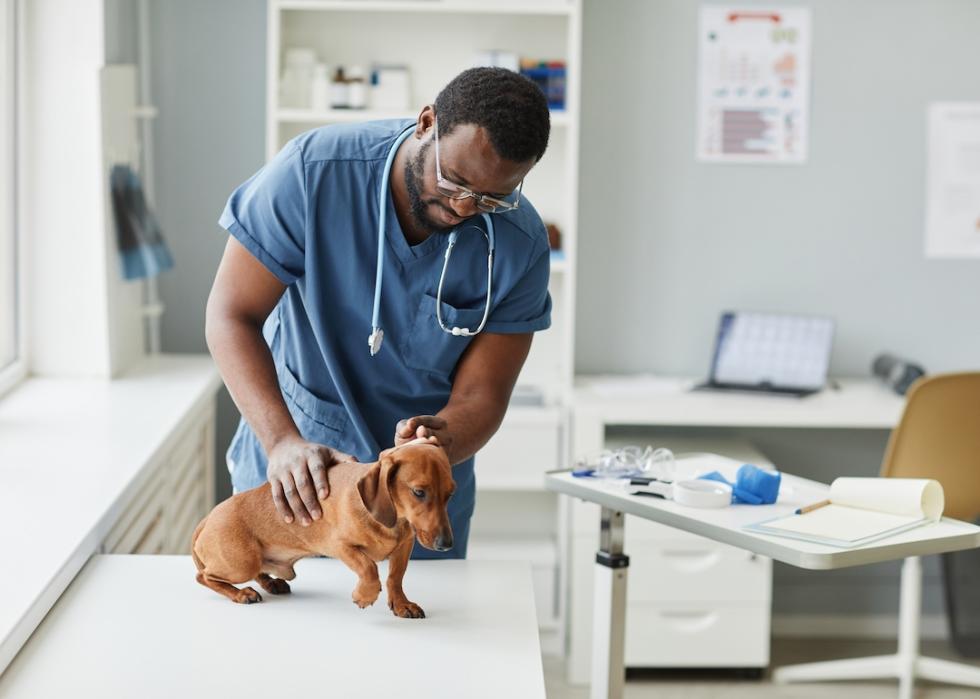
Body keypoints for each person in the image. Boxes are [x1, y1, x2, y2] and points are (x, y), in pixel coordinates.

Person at [206, 67, 552, 559]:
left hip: (421, 494)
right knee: (285, 626)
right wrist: (281, 440)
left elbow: (483, 393)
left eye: (491, 198)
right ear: (427, 123)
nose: (463, 207)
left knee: (416, 625)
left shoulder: (519, 244)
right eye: (454, 180)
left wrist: (438, 443)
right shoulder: (313, 173)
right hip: (302, 476)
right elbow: (230, 313)